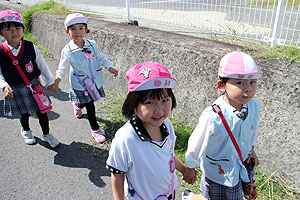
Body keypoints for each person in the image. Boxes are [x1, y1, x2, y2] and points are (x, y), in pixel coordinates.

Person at [182, 52, 262, 200]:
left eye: (252, 82)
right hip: (217, 171)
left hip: (239, 167)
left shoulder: (253, 106)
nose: (248, 88)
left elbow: (251, 131)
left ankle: (190, 197)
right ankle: (191, 197)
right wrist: (190, 167)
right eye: (240, 82)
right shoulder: (213, 115)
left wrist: (252, 150)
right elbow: (197, 143)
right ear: (222, 85)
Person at [53, 13, 118, 143]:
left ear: (86, 29)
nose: (77, 32)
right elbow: (62, 68)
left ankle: (77, 104)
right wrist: (56, 81)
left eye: (81, 28)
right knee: (90, 105)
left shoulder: (92, 45)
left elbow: (101, 57)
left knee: (87, 102)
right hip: (80, 83)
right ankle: (95, 129)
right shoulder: (67, 51)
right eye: (73, 29)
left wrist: (110, 67)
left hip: (93, 81)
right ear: (67, 31)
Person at [0, 10, 59, 148]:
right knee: (24, 113)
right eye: (8, 29)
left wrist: (50, 81)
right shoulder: (1, 51)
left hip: (35, 86)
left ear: (23, 29)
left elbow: (42, 64)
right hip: (15, 88)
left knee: (42, 112)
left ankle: (47, 134)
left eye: (17, 28)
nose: (14, 32)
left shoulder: (30, 46)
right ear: (1, 33)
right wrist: (3, 86)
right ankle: (26, 131)